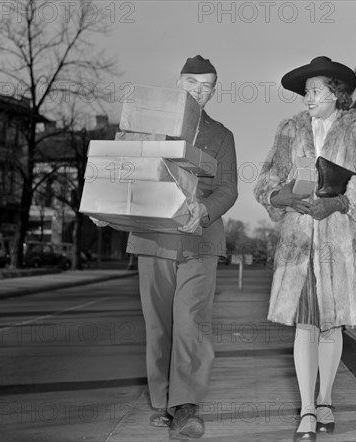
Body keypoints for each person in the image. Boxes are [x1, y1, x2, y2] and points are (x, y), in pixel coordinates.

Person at [92, 55, 238, 440]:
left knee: (190, 322)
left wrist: (204, 210)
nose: (200, 92)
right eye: (193, 83)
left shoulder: (222, 135)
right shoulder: (146, 126)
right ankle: (163, 401)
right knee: (159, 325)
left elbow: (228, 189)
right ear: (178, 82)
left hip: (200, 240)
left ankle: (186, 405)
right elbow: (124, 172)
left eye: (208, 85)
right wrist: (105, 207)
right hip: (151, 237)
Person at [253, 56, 356, 441]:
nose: (308, 98)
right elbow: (265, 180)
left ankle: (327, 398)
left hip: (341, 243)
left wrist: (340, 201)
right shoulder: (289, 129)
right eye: (305, 92)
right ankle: (308, 410)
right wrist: (281, 197)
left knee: (331, 325)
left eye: (315, 91)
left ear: (336, 93)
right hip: (299, 245)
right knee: (304, 325)